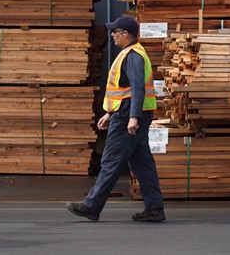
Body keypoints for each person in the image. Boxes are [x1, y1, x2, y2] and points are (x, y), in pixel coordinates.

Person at [66, 16, 165, 222]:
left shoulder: (133, 56)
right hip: (127, 112)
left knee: (111, 161)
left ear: (125, 34)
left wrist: (133, 118)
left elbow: (137, 88)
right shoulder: (131, 54)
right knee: (143, 164)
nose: (112, 35)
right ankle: (154, 209)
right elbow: (126, 89)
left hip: (129, 115)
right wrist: (110, 113)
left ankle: (91, 206)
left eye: (115, 31)